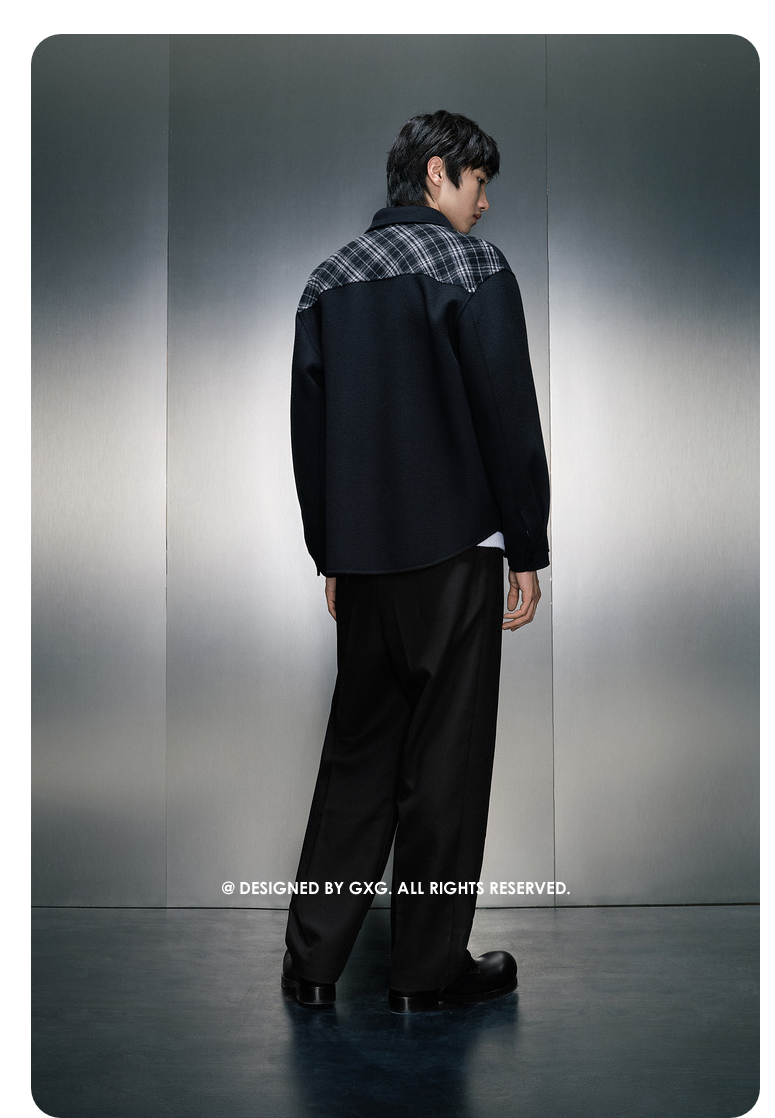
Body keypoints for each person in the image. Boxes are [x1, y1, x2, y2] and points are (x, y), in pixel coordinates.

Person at [283, 110, 550, 1013]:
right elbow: (507, 416)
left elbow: (309, 434)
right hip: (454, 556)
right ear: (438, 174)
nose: (484, 205)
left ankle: (312, 964)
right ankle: (425, 973)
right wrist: (527, 545)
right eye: (479, 184)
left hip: (362, 565)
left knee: (357, 756)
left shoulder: (327, 281)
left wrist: (331, 550)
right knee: (444, 763)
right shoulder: (475, 270)